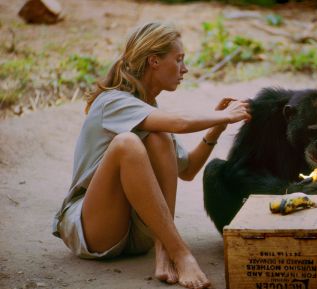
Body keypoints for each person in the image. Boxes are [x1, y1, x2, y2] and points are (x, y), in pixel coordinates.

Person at [52, 22, 251, 289]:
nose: (185, 69)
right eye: (178, 60)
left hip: (138, 233)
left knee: (159, 138)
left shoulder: (148, 110)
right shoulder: (112, 101)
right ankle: (179, 252)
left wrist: (217, 128)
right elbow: (179, 122)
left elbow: (188, 169)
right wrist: (226, 114)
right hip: (95, 230)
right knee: (127, 144)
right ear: (154, 61)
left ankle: (163, 249)